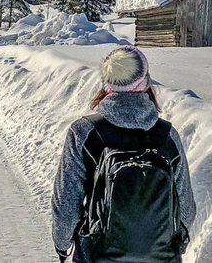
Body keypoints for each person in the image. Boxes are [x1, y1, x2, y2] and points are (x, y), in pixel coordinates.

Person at [51, 45, 196, 262]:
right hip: (160, 256)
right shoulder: (167, 135)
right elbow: (185, 208)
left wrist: (63, 248)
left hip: (98, 254)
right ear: (145, 81)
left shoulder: (85, 132)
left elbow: (66, 205)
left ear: (106, 84)